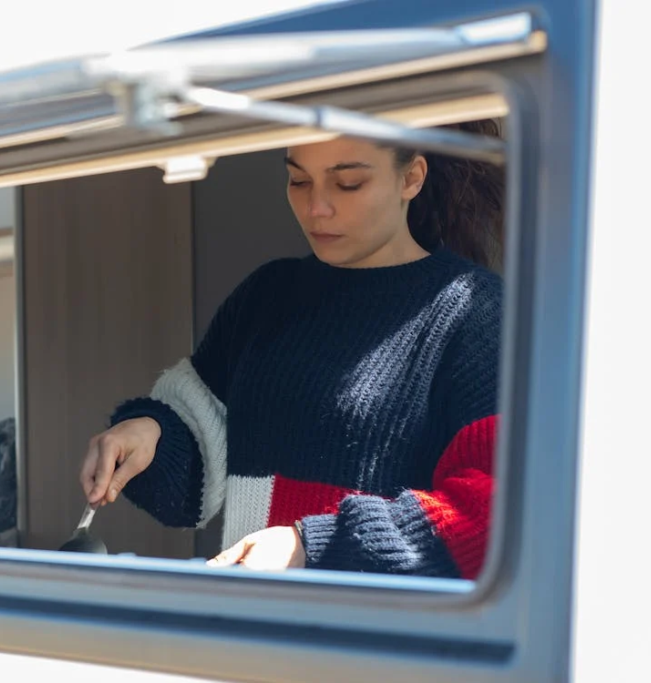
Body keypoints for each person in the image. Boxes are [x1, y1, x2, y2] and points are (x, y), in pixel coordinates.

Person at [79, 119, 505, 579]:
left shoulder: (473, 311)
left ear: (411, 178)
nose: (316, 207)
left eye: (348, 183)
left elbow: (492, 514)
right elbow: (196, 474)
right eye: (298, 179)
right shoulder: (268, 296)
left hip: (382, 644)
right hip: (251, 632)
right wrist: (151, 435)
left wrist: (310, 544)